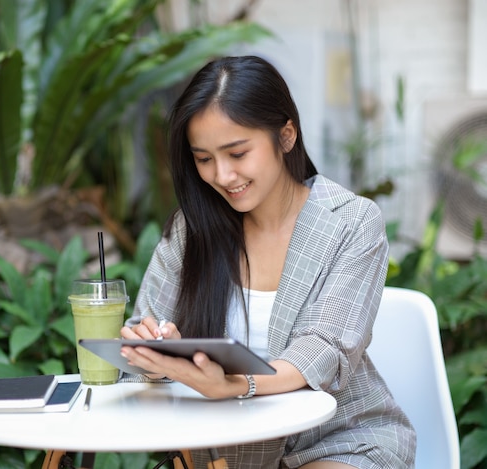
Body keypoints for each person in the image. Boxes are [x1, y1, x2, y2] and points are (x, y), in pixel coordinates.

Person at [120, 55, 416, 468]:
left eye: (237, 153)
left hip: (338, 440)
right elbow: (142, 336)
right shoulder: (193, 229)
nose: (222, 175)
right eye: (204, 159)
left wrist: (234, 385)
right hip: (220, 450)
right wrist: (152, 355)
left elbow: (324, 350)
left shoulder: (350, 222)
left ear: (286, 135)